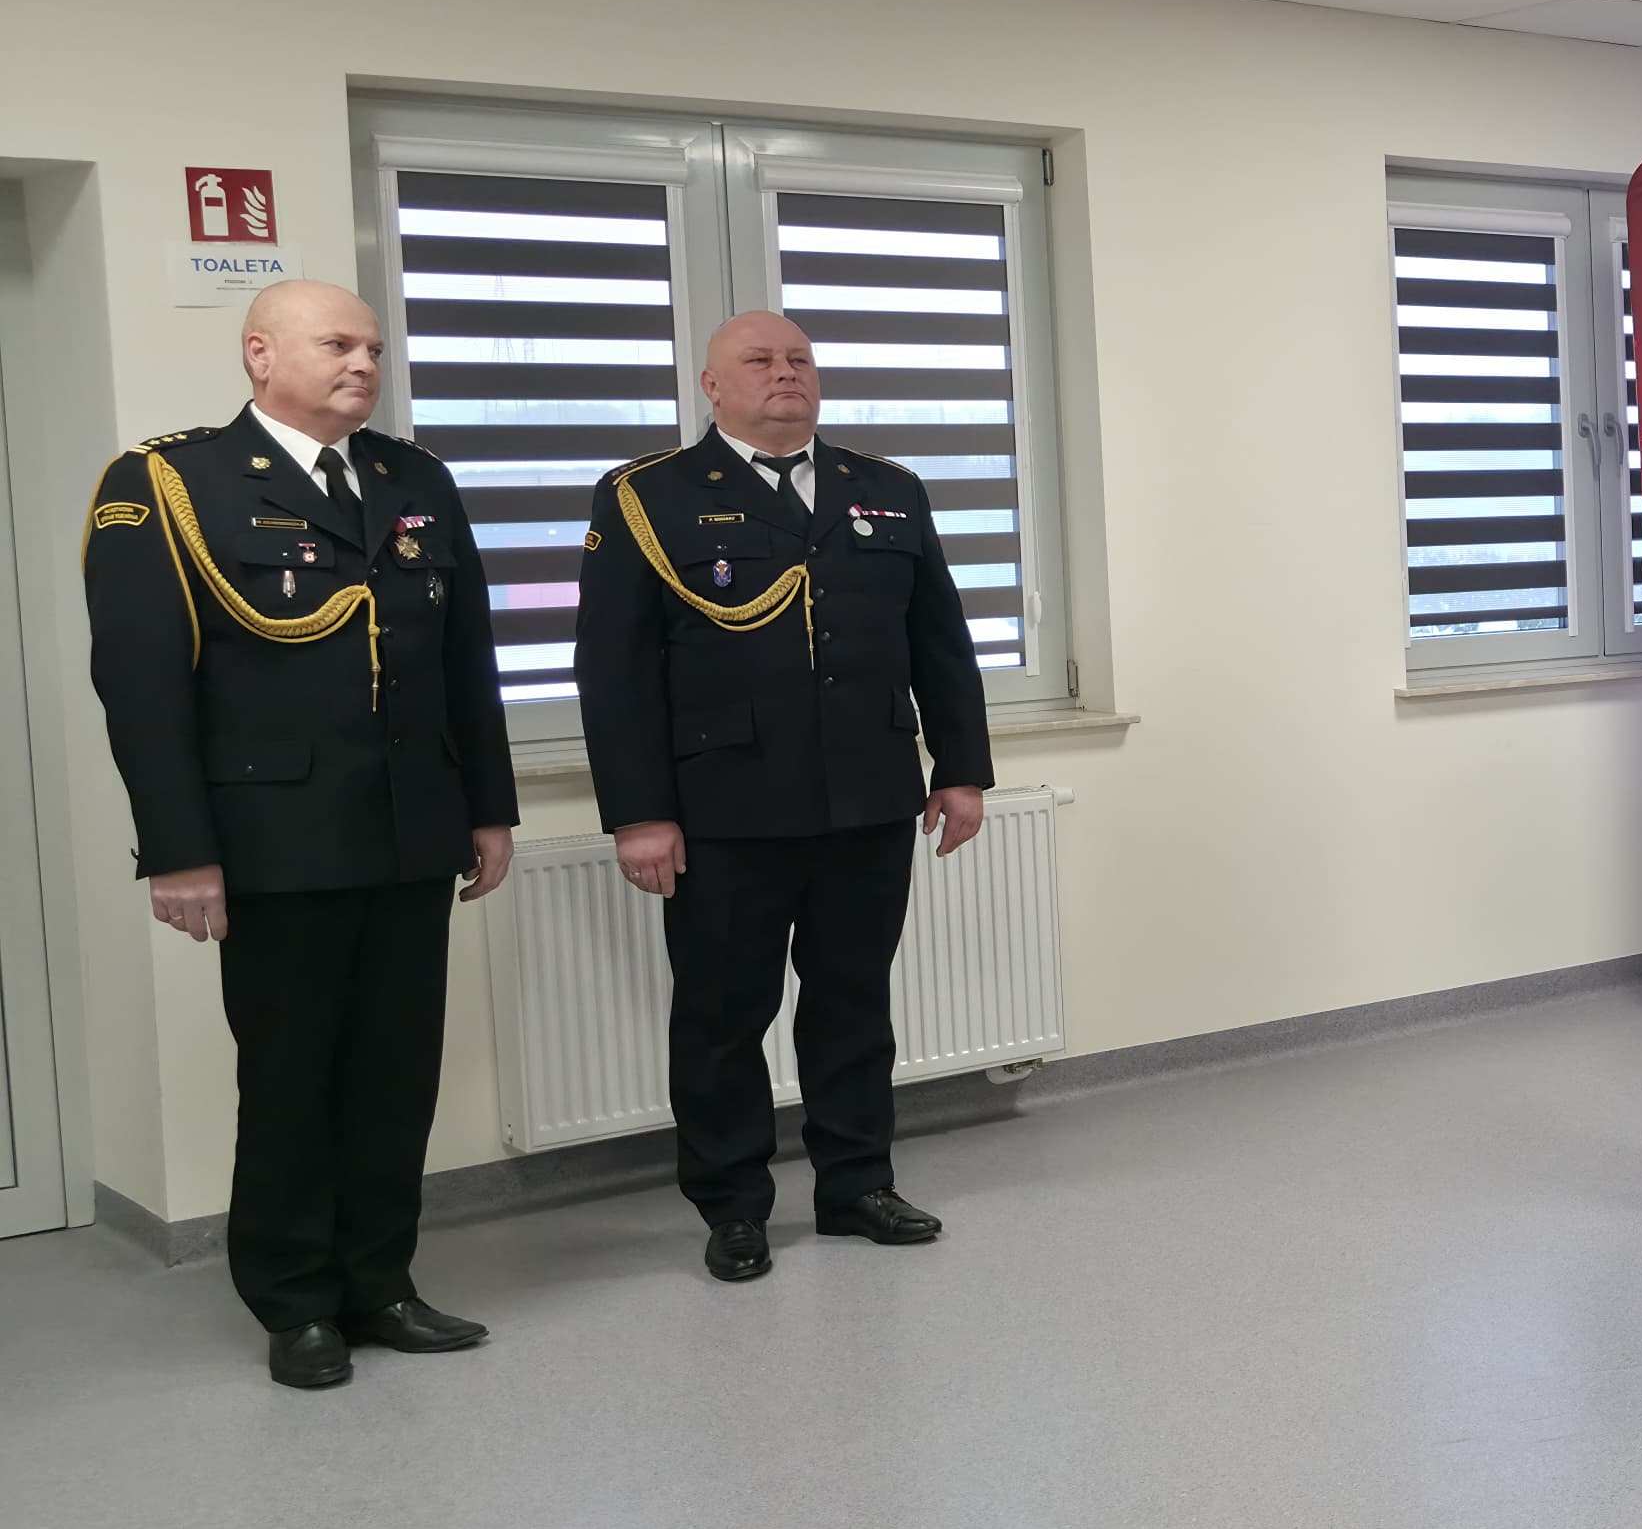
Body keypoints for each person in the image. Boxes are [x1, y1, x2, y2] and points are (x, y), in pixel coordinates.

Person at [82, 280, 515, 1388]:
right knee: (289, 1077)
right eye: (336, 344)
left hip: (411, 830)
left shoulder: (415, 479)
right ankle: (295, 1302)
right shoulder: (168, 484)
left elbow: (465, 661)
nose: (364, 363)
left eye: (372, 347)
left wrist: (488, 808)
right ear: (260, 355)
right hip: (275, 839)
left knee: (395, 1074)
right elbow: (141, 686)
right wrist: (177, 849)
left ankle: (381, 1284)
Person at [574, 312, 991, 1284]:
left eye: (799, 359)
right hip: (725, 808)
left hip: (867, 798)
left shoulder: (887, 490)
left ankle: (856, 1185)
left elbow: (940, 640)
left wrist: (961, 769)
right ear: (712, 386)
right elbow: (615, 670)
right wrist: (639, 813)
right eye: (759, 360)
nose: (785, 373)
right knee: (723, 1017)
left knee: (853, 1006)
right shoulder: (648, 496)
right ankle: (732, 1206)